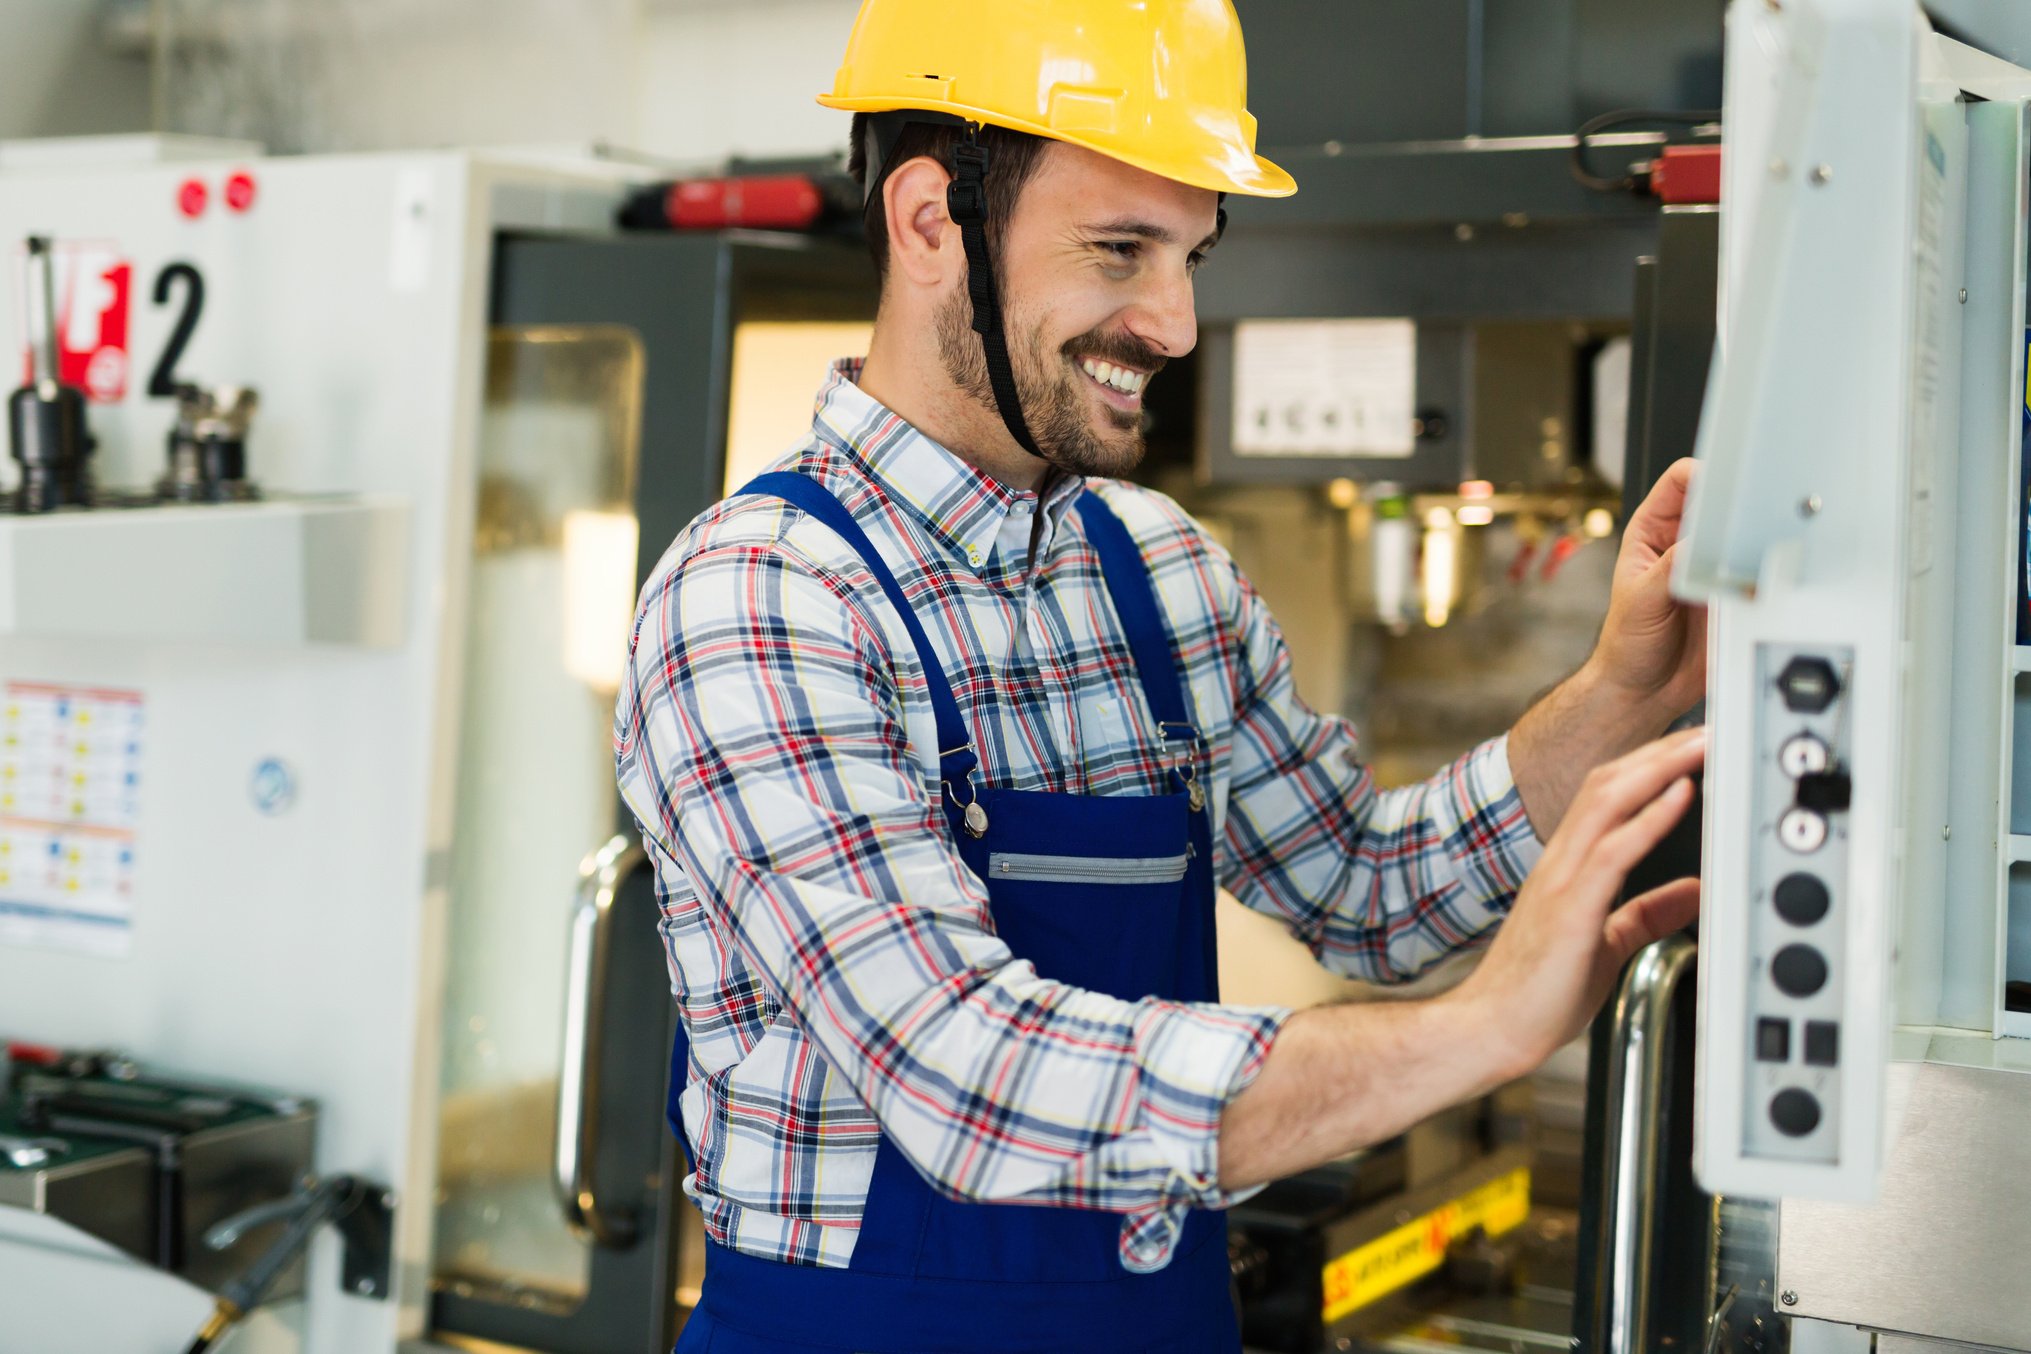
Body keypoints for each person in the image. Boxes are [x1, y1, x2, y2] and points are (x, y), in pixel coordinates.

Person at [614, 2, 1707, 1349]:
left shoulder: (1157, 570)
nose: (1179, 322)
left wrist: (1624, 688)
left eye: (1191, 253)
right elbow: (965, 1073)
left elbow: (1364, 887)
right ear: (927, 223)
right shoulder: (761, 596)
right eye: (1120, 250)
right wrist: (1478, 1031)